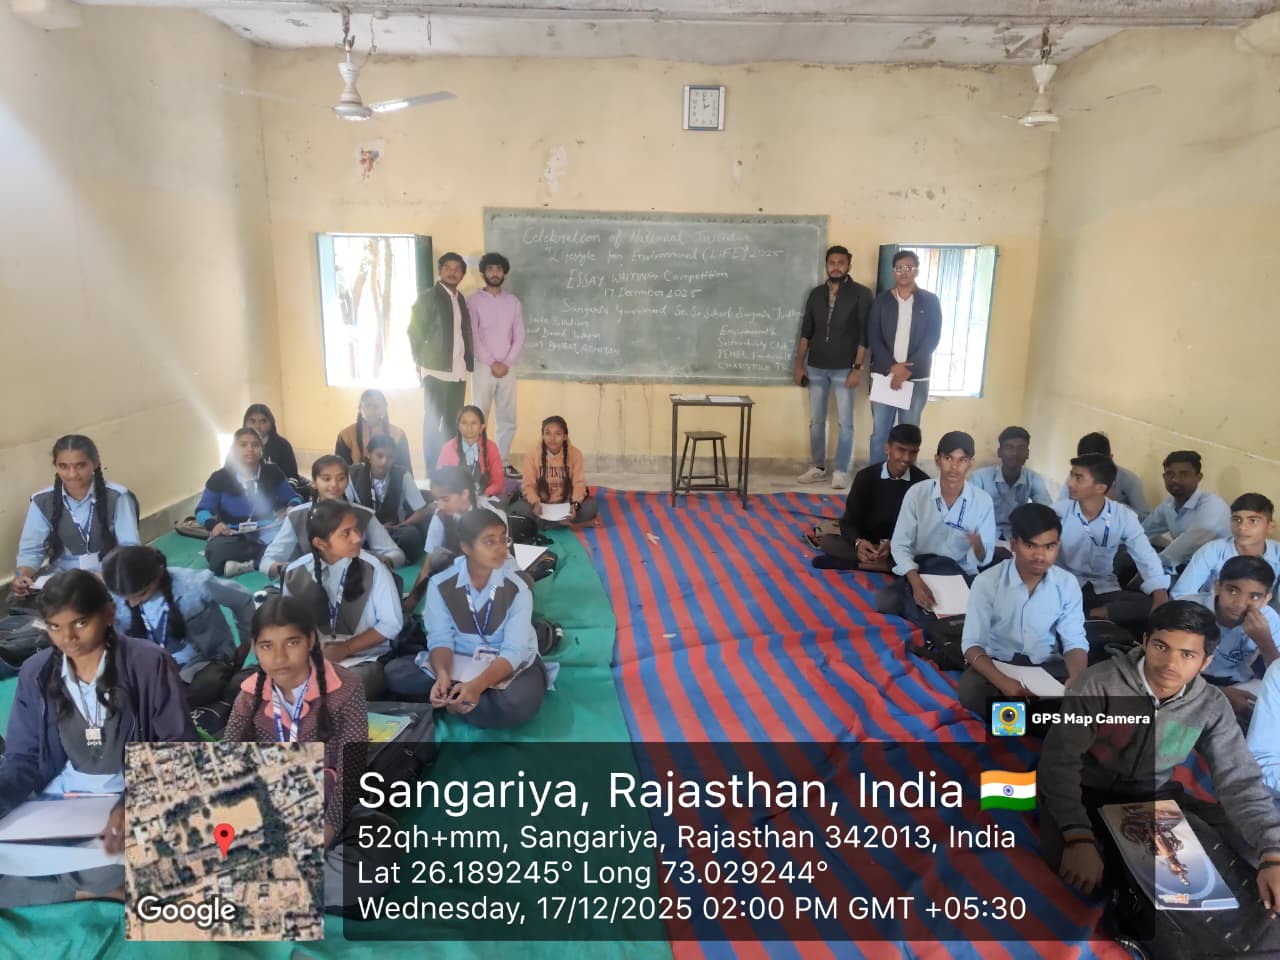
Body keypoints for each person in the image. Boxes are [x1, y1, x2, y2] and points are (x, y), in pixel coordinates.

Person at [1039, 601, 1280, 944]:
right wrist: (1077, 836)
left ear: (1206, 661)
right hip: (1086, 790)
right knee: (1085, 871)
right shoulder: (1099, 683)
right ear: (1145, 642)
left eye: (1187, 654)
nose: (1170, 664)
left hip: (1152, 796)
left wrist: (1272, 851)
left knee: (1241, 849)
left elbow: (1239, 779)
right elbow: (1059, 764)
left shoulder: (1211, 704)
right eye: (1162, 647)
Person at [0, 571, 196, 908]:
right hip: (58, 803)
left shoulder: (148, 663)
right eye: (54, 627)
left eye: (80, 623)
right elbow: (23, 760)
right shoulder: (36, 672)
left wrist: (131, 805)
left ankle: (74, 885)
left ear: (108, 614)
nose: (68, 638)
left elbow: (177, 750)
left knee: (131, 851)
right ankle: (91, 888)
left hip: (129, 793)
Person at [223, 596, 397, 908]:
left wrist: (324, 833)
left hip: (332, 805)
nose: (279, 657)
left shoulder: (347, 687)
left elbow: (351, 771)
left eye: (291, 643)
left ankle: (272, 887)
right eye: (266, 646)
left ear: (311, 641)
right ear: (255, 648)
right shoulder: (248, 697)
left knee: (379, 844)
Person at [402, 510, 554, 726]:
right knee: (397, 674)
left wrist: (478, 685)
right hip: (459, 659)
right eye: (490, 542)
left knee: (519, 701)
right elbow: (440, 639)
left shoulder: (518, 588)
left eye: (504, 540)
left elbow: (515, 650)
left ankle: (459, 698)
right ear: (466, 548)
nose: (501, 549)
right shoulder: (440, 584)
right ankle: (461, 697)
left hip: (504, 663)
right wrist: (442, 674)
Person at [958, 504, 1088, 714]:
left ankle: (1033, 717)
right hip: (999, 664)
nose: (1040, 556)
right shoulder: (987, 582)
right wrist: (1004, 683)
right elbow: (972, 644)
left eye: (1049, 547)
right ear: (1013, 544)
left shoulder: (1067, 584)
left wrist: (1077, 679)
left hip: (1047, 666)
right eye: (1030, 546)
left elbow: (1074, 642)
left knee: (1088, 690)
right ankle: (1040, 718)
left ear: (1058, 545)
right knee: (971, 691)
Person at [102, 545, 254, 707]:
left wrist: (246, 641)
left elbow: (243, 599)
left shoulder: (196, 584)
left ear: (159, 573)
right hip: (156, 669)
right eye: (126, 598)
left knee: (202, 688)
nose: (133, 603)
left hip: (205, 662)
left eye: (141, 594)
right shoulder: (115, 598)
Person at [281, 500, 403, 700]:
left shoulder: (373, 568)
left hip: (366, 659)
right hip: (314, 659)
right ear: (320, 543)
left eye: (356, 529)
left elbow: (391, 624)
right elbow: (291, 627)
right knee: (273, 687)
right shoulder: (295, 573)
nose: (357, 538)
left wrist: (345, 649)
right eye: (346, 533)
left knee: (341, 691)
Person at [883, 431, 996, 626]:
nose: (954, 467)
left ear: (971, 463)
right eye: (948, 458)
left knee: (984, 611)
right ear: (937, 459)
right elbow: (900, 544)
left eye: (962, 460)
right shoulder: (918, 493)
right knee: (886, 601)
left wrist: (977, 545)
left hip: (959, 572)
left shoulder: (982, 501)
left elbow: (984, 557)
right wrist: (915, 582)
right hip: (921, 568)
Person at [13, 435, 140, 597]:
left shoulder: (118, 497)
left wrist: (107, 575)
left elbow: (129, 547)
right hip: (63, 579)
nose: (72, 474)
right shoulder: (42, 501)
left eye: (80, 465)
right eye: (63, 466)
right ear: (55, 466)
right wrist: (22, 576)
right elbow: (31, 551)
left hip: (108, 575)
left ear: (95, 463)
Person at [1053, 454, 1168, 629]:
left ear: (1100, 487)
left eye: (1078, 478)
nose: (1070, 483)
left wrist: (1160, 597)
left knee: (1155, 605)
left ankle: (1091, 615)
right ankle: (1087, 617)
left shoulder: (1123, 516)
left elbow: (1145, 555)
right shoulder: (1058, 512)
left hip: (1102, 588)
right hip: (1063, 586)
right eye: (1072, 476)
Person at [793, 244, 873, 490]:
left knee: (846, 423)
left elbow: (864, 334)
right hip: (816, 367)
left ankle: (841, 470)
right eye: (832, 263)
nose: (836, 267)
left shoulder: (861, 294)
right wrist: (799, 365)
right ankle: (818, 467)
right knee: (817, 421)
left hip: (844, 368)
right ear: (826, 266)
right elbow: (806, 332)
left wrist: (857, 368)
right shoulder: (816, 294)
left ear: (849, 265)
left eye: (841, 263)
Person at [261, 455, 405, 578]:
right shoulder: (297, 516)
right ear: (314, 483)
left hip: (355, 583)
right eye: (326, 479)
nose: (334, 485)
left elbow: (395, 553)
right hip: (311, 583)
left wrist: (378, 564)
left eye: (341, 478)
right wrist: (286, 569)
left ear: (347, 481)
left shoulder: (363, 514)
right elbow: (267, 561)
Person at [811, 424, 927, 571]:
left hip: (900, 546)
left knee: (928, 555)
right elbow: (848, 521)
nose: (906, 458)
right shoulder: (865, 477)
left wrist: (893, 544)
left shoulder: (923, 484)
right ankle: (886, 566)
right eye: (901, 450)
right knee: (828, 542)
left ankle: (862, 564)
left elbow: (922, 529)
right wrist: (858, 543)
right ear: (887, 448)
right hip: (868, 543)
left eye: (913, 452)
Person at [865, 249, 943, 461]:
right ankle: (877, 475)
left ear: (916, 270)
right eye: (899, 268)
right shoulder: (881, 301)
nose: (903, 272)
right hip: (885, 375)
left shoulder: (930, 301)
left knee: (909, 434)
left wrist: (908, 370)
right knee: (880, 433)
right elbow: (874, 336)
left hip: (915, 378)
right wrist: (893, 367)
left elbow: (932, 338)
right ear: (893, 272)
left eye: (908, 267)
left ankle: (905, 477)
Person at [195, 428, 300, 577]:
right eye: (243, 445)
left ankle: (248, 564)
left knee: (296, 545)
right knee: (215, 551)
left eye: (255, 444)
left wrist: (291, 507)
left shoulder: (273, 472)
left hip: (268, 530)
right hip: (233, 533)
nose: (250, 449)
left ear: (261, 449)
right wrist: (213, 525)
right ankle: (262, 561)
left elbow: (294, 498)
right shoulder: (219, 477)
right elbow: (202, 510)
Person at [408, 252, 473, 480]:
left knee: (454, 424)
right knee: (433, 424)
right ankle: (432, 472)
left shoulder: (460, 298)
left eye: (457, 269)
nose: (452, 272)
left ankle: (449, 469)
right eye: (448, 268)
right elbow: (414, 331)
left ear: (462, 274)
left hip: (458, 372)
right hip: (435, 371)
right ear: (440, 271)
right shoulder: (429, 297)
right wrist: (419, 360)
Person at [1187, 556, 1280, 716]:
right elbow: (1162, 666)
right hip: (1187, 681)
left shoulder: (1269, 619)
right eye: (1233, 590)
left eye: (1254, 596)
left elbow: (1277, 676)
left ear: (1266, 599)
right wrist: (1218, 692)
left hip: (1238, 682)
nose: (1240, 603)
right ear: (1218, 587)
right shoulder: (1189, 609)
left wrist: (1265, 641)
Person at [467, 252, 525, 477]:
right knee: (478, 415)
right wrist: (492, 362)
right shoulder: (473, 300)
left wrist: (506, 362)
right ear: (483, 272)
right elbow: (473, 335)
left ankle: (503, 462)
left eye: (499, 269)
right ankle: (477, 462)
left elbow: (519, 335)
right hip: (484, 366)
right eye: (490, 269)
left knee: (507, 416)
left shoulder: (513, 302)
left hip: (508, 368)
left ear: (504, 274)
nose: (494, 273)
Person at [1173, 494, 1280, 611]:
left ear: (1270, 526)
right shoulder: (1212, 550)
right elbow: (1181, 595)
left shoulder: (1277, 553)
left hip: (1261, 618)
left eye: (1253, 521)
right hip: (1212, 614)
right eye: (1236, 520)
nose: (1242, 527)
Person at [1141, 451, 1231, 573]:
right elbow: (1143, 532)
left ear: (1199, 477)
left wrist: (1152, 565)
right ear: (1164, 477)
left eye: (1184, 474)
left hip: (1218, 573)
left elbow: (1189, 543)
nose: (1175, 480)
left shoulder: (1212, 505)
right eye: (1170, 474)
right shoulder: (1168, 505)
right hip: (1185, 566)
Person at [347, 435, 431, 565]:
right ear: (368, 455)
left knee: (410, 535)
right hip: (365, 531)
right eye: (379, 456)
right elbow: (347, 508)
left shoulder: (402, 474)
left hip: (395, 530)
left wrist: (399, 525)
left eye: (390, 457)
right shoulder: (353, 474)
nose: (384, 461)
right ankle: (385, 557)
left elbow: (421, 511)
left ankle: (382, 558)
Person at [510, 416, 600, 528]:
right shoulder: (532, 454)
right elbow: (528, 485)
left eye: (558, 434)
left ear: (565, 436)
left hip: (566, 503)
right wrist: (535, 503)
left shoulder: (575, 454)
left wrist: (575, 504)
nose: (552, 438)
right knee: (519, 509)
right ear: (542, 435)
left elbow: (579, 484)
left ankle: (547, 524)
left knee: (591, 507)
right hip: (541, 505)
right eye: (548, 433)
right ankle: (568, 524)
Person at [969, 426, 1053, 542]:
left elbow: (1046, 512)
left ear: (1027, 453)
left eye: (1021, 448)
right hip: (983, 536)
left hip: (1017, 537)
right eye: (1009, 447)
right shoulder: (979, 477)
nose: (1015, 453)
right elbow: (970, 515)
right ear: (999, 452)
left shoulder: (1033, 478)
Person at [1057, 432, 1149, 520]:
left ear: (1111, 458)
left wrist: (1115, 505)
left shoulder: (1130, 481)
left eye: (1097, 468)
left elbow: (1145, 520)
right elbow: (1059, 512)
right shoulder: (1074, 478)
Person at [334, 389, 413, 477]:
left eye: (377, 406)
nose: (372, 410)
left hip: (391, 481)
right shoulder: (346, 435)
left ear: (384, 409)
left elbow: (405, 468)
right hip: (357, 482)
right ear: (359, 408)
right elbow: (341, 470)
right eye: (367, 405)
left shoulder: (398, 434)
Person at [435, 404, 505, 500]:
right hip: (455, 500)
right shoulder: (447, 448)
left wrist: (485, 495)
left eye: (473, 423)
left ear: (482, 427)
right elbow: (440, 480)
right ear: (458, 426)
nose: (469, 427)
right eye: (464, 423)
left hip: (485, 498)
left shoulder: (491, 447)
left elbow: (498, 481)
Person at [242, 403, 303, 489]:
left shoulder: (282, 445)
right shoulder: (237, 446)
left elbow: (292, 477)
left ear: (271, 423)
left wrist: (284, 492)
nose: (257, 426)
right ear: (245, 423)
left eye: (263, 421)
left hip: (278, 493)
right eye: (252, 421)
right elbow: (228, 474)